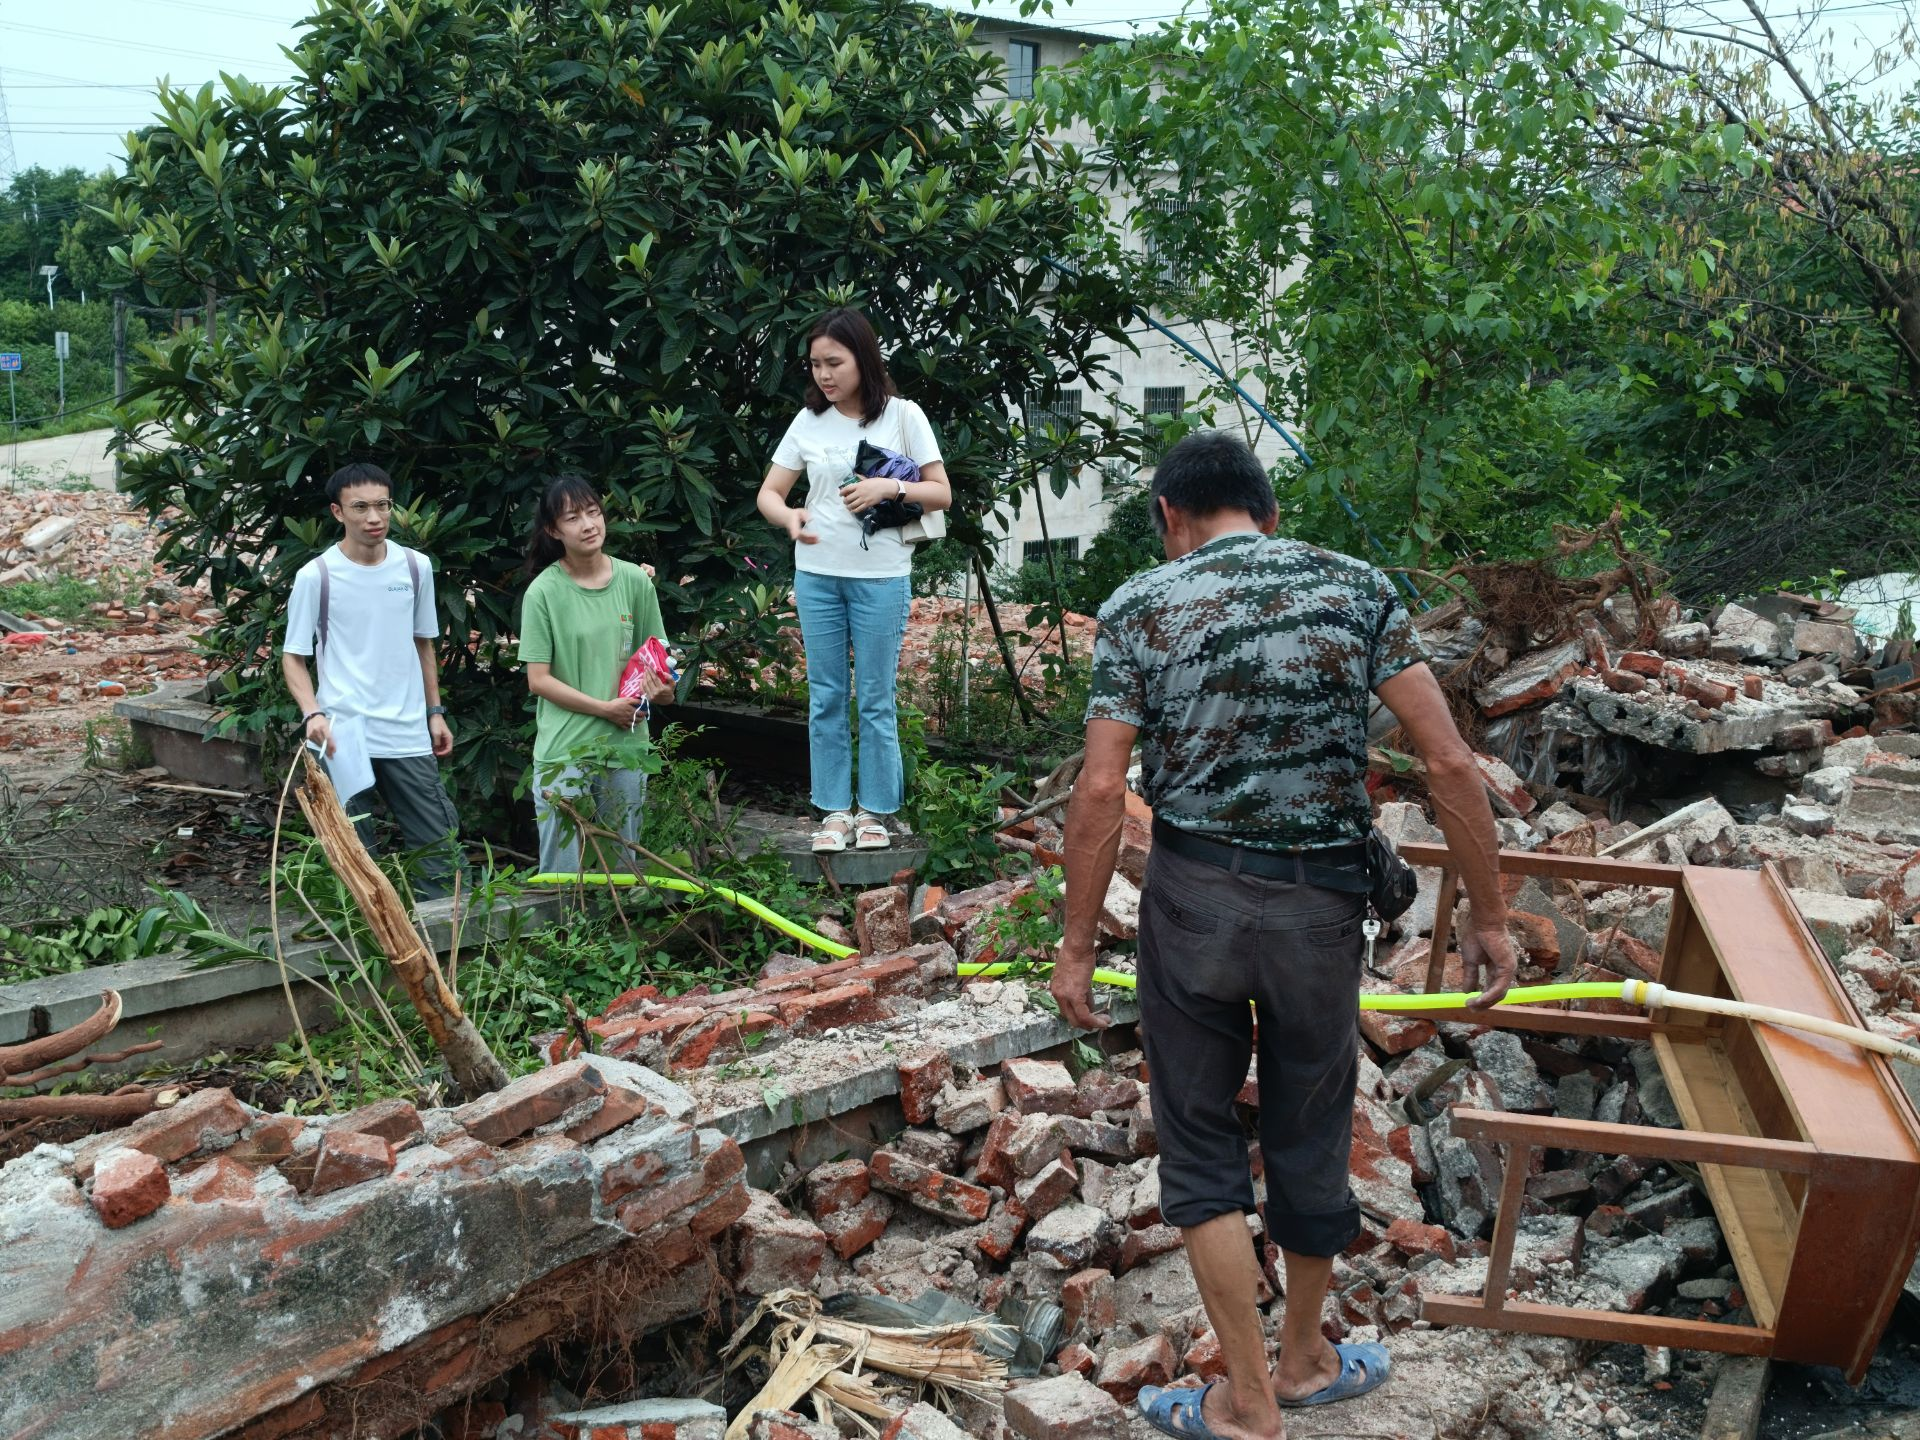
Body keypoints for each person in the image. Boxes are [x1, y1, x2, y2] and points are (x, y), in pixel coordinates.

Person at [1053, 431, 1517, 1440]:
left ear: (1171, 516)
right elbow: (1447, 765)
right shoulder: (1357, 588)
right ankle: (1306, 1360)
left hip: (1193, 907)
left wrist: (1078, 944)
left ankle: (1248, 1400)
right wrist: (1488, 917)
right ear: (1266, 511)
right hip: (1317, 911)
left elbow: (1099, 790)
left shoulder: (1139, 604)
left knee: (1201, 1144)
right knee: (1311, 1133)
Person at [757, 306, 952, 855]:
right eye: (816, 364)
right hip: (817, 574)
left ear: (863, 359)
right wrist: (789, 517)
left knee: (874, 697)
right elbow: (770, 493)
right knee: (825, 696)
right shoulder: (807, 421)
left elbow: (941, 492)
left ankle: (877, 812)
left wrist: (888, 490)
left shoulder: (903, 416)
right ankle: (834, 811)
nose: (823, 374)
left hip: (881, 577)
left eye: (834, 363)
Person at [283, 461, 462, 899]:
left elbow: (423, 644)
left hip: (406, 730)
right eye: (360, 507)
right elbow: (293, 657)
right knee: (354, 856)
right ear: (337, 512)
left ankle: (447, 952)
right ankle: (366, 950)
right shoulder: (317, 576)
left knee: (439, 852)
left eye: (382, 505)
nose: (374, 517)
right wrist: (313, 715)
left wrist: (435, 712)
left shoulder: (416, 567)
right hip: (343, 734)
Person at [518, 474, 673, 877]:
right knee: (562, 871)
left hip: (627, 742)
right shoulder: (543, 592)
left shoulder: (635, 581)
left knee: (623, 864)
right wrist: (605, 709)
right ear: (554, 530)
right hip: (564, 748)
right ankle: (566, 937)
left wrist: (662, 692)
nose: (588, 525)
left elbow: (655, 664)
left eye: (593, 512)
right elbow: (539, 680)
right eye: (573, 518)